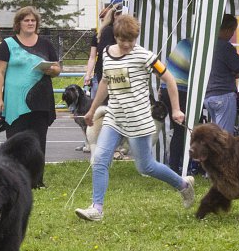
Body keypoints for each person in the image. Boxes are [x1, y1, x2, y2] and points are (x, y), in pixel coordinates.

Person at [74, 14, 195, 222]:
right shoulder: (106, 53)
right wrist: (92, 110)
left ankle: (183, 185)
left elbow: (169, 79)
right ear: (116, 37)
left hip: (139, 120)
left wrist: (176, 109)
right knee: (101, 159)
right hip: (114, 118)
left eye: (131, 40)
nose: (127, 44)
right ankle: (97, 208)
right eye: (123, 40)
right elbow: (104, 82)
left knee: (145, 166)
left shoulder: (145, 57)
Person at [0, 6, 60, 185]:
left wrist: (52, 70)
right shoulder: (8, 44)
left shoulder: (46, 44)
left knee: (38, 142)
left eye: (33, 20)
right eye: (26, 20)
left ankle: (37, 180)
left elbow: (57, 69)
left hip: (41, 99)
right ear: (19, 23)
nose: (30, 23)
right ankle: (14, 179)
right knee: (15, 142)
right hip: (15, 101)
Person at [203, 14, 239, 134]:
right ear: (227, 30)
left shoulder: (206, 45)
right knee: (224, 138)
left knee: (216, 136)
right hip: (224, 95)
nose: (232, 35)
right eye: (232, 31)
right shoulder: (225, 47)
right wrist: (232, 73)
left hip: (208, 96)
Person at [159, 38, 191, 174]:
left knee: (177, 129)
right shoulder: (196, 46)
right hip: (179, 89)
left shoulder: (184, 42)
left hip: (165, 87)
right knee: (181, 131)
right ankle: (177, 167)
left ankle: (174, 165)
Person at [84, 3, 120, 100]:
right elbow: (92, 57)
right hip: (106, 72)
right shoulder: (105, 33)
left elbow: (93, 57)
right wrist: (88, 74)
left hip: (109, 72)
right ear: (114, 16)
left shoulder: (101, 33)